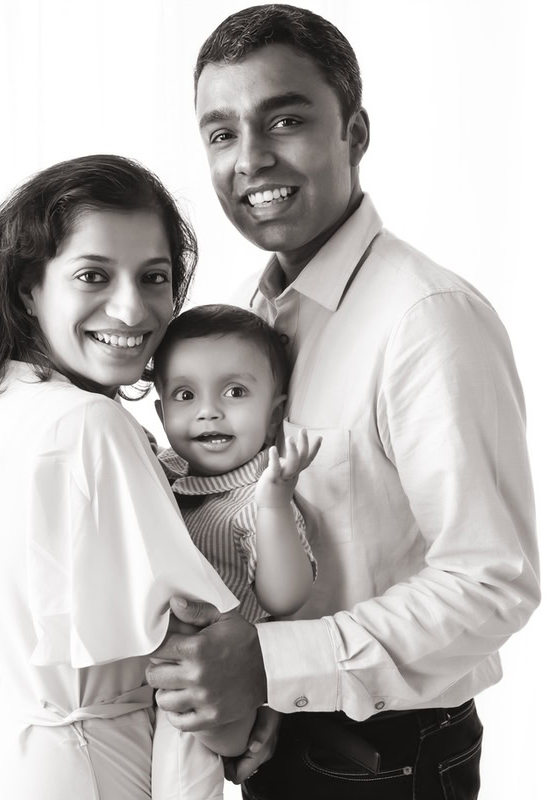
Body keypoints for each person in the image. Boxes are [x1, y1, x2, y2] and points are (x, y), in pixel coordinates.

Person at [146, 6, 541, 800]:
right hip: (281, 734)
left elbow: (492, 581)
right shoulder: (243, 324)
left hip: (388, 760)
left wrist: (271, 663)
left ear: (354, 132)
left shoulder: (426, 318)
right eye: (221, 133)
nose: (250, 159)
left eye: (283, 119)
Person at [0, 154, 239, 800]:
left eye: (153, 277)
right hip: (96, 767)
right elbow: (200, 652)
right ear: (29, 288)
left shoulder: (6, 405)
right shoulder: (86, 427)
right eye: (93, 275)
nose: (131, 310)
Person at [150, 303, 321, 762]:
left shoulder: (257, 495)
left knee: (215, 741)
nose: (209, 412)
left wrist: (275, 505)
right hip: (152, 679)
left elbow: (285, 597)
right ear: (161, 410)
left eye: (235, 392)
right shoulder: (161, 471)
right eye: (185, 396)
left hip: (221, 693)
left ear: (272, 415)